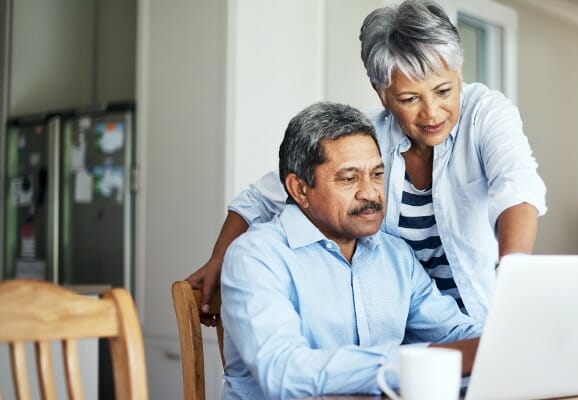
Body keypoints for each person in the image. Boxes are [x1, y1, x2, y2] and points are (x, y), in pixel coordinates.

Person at [189, 0, 547, 324]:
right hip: (392, 325)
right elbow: (258, 199)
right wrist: (219, 263)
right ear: (382, 93)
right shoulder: (367, 139)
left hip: (476, 317)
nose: (432, 112)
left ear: (459, 70)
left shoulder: (486, 113)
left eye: (444, 91)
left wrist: (513, 276)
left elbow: (516, 188)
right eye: (409, 98)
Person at [221, 102, 480, 400]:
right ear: (300, 189)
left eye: (377, 174)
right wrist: (430, 358)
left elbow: (453, 332)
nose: (370, 193)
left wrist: (505, 339)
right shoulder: (255, 257)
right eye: (349, 178)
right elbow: (284, 373)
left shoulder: (395, 255)